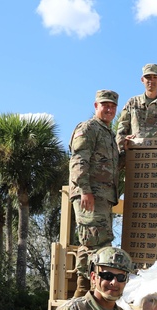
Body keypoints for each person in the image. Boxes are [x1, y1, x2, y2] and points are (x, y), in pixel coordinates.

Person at [69, 90, 122, 298]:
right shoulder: (88, 128)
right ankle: (91, 292)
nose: (109, 109)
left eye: (112, 106)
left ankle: (83, 290)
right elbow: (79, 160)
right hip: (90, 194)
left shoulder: (109, 134)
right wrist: (85, 190)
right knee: (96, 244)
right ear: (96, 106)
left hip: (103, 197)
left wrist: (123, 149)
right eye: (105, 105)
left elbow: (111, 166)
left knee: (92, 242)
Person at [115, 63, 157, 153]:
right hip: (134, 156)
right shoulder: (132, 103)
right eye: (148, 77)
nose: (151, 80)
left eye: (155, 77)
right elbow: (121, 131)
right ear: (142, 80)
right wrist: (123, 145)